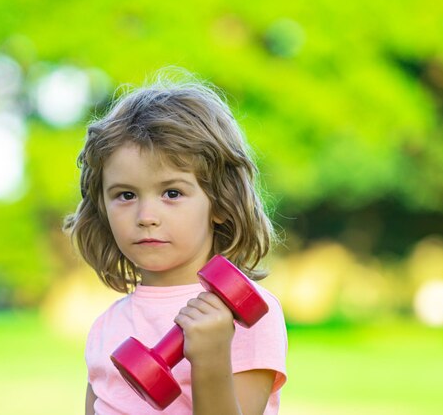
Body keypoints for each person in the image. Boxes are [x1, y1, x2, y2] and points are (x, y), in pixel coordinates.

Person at [64, 70, 287, 415]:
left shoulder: (247, 317)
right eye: (125, 195)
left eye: (172, 193)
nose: (146, 216)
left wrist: (211, 360)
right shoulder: (106, 327)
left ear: (219, 202)